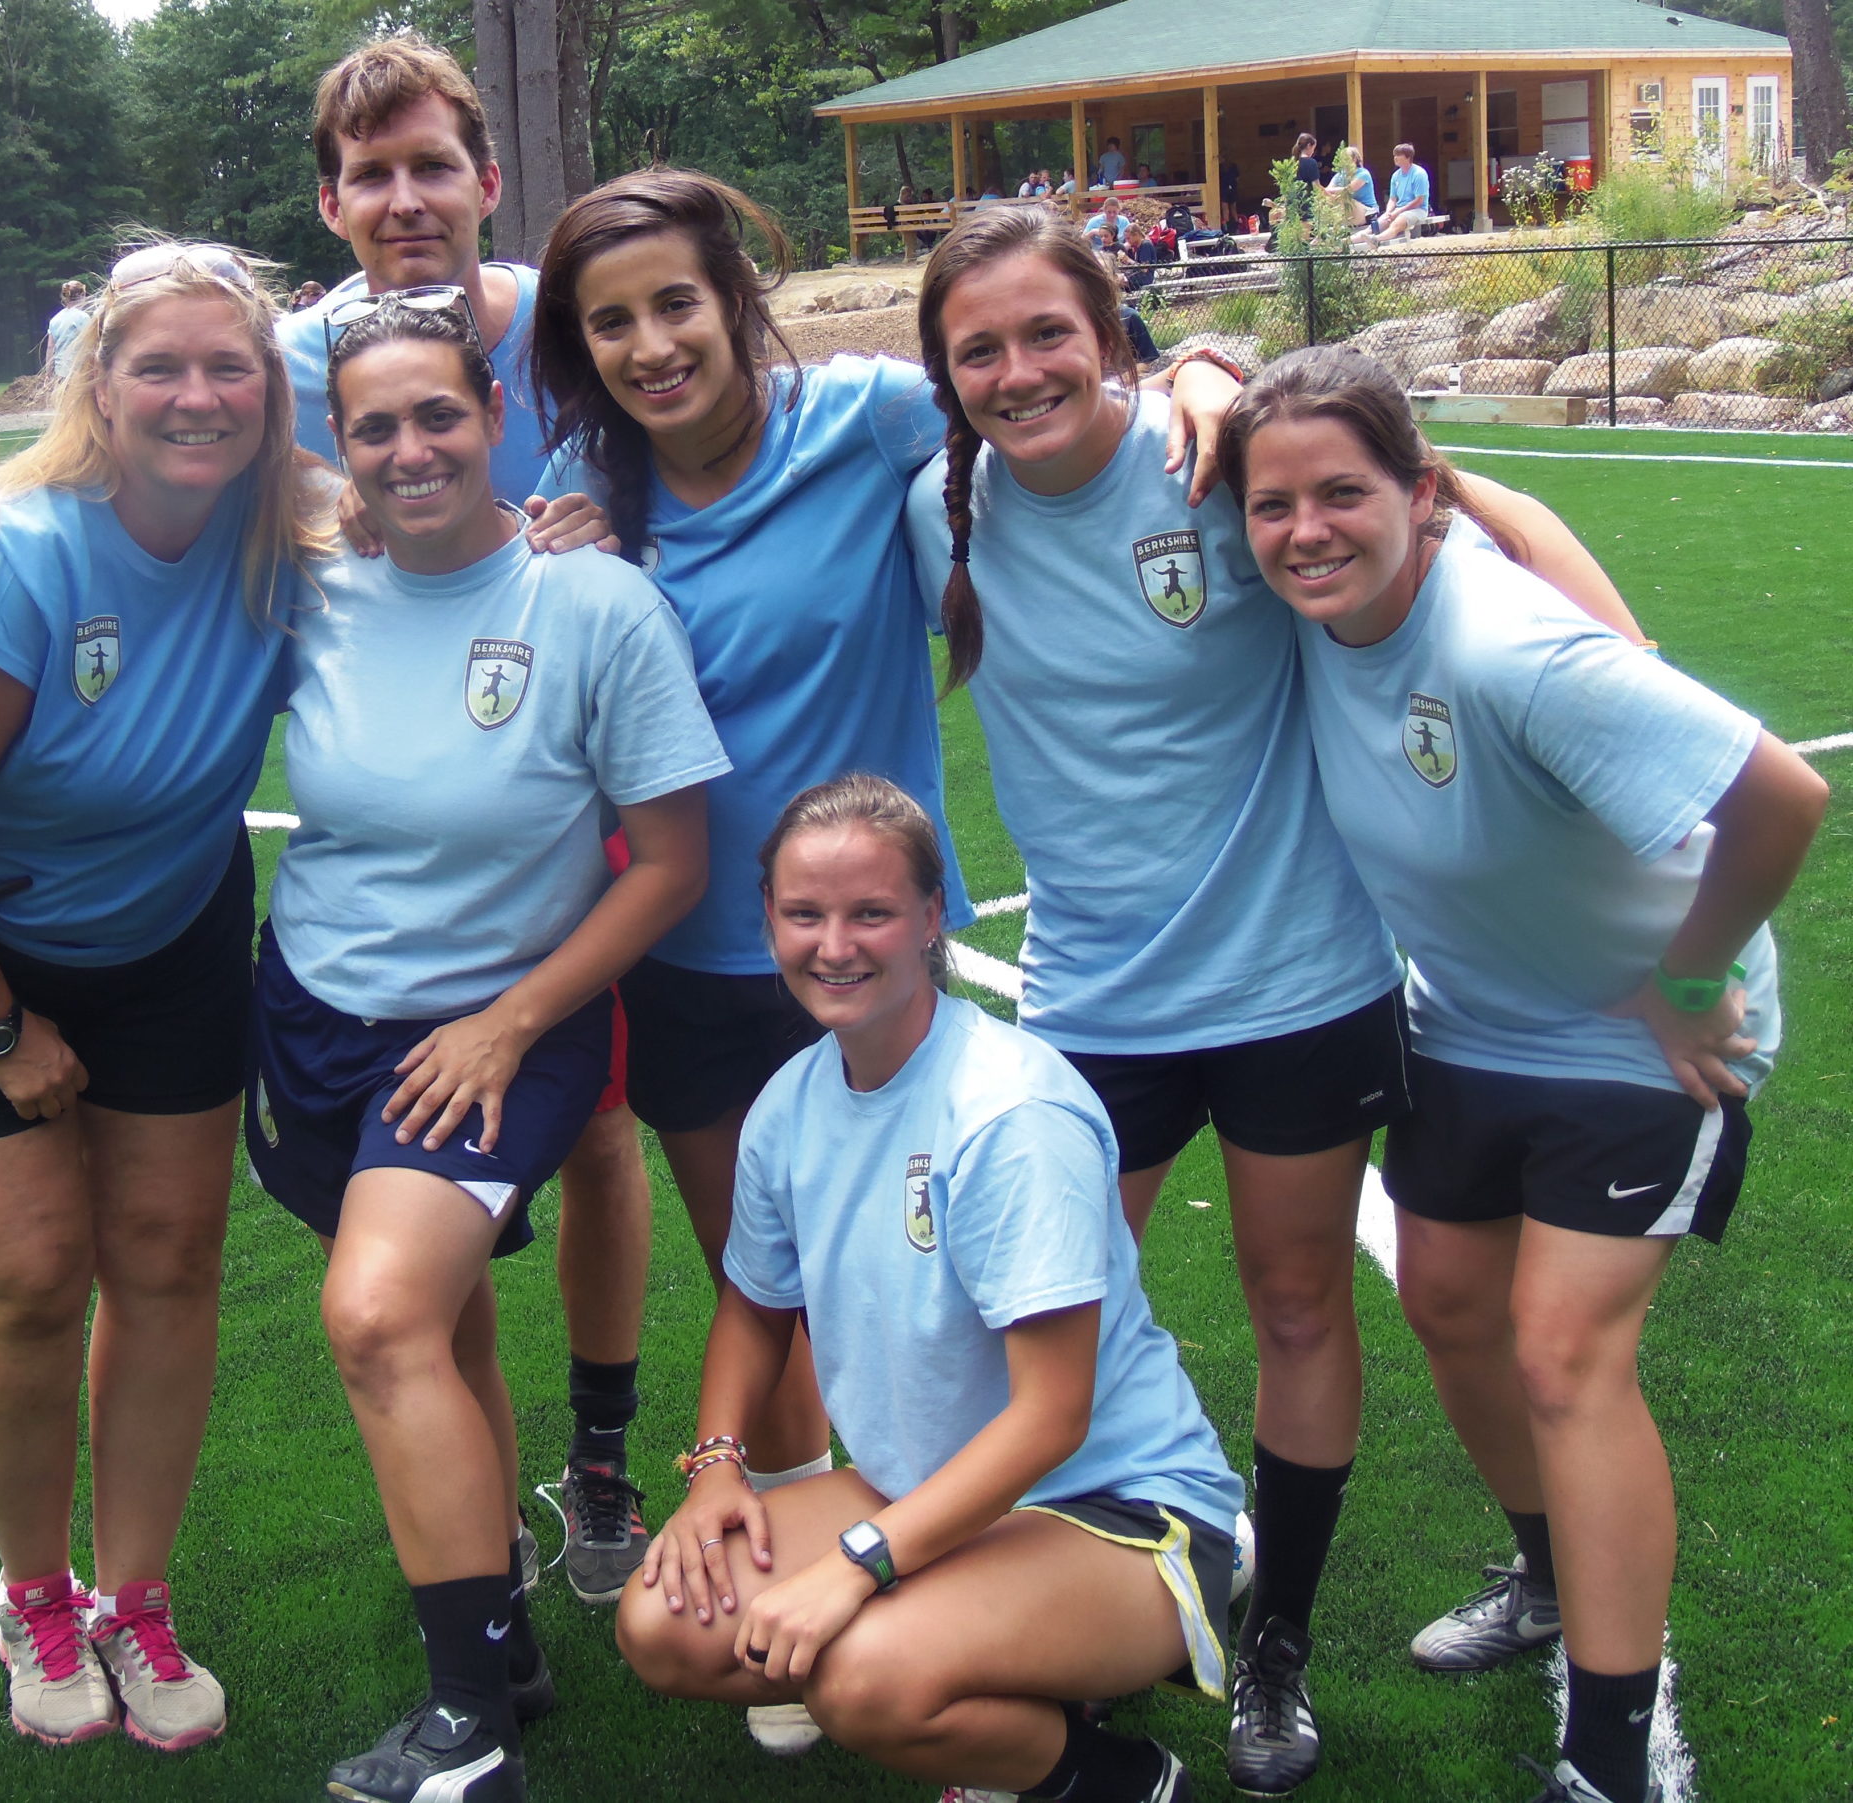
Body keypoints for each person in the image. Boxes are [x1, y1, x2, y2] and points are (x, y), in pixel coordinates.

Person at [903, 205, 1649, 1799]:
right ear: (945, 372)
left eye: (1053, 332)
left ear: (1116, 332)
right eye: (982, 347)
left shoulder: (1209, 459)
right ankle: (1047, 1618)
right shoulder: (933, 510)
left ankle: (1274, 1640)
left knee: (1299, 1303)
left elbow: (1452, 510)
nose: (1021, 369)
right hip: (1093, 1000)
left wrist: (1623, 647)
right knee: (1028, 1315)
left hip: (1299, 983)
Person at [531, 171, 1242, 1754]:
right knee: (771, 1281)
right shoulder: (592, 484)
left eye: (677, 304)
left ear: (736, 305)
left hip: (861, 936)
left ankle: (949, 1600)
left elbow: (1039, 385)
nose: (654, 346)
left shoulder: (853, 421)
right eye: (613, 322)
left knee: (967, 1281)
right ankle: (819, 1574)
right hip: (696, 950)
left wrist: (1198, 362)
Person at [1219, 344, 1827, 1803]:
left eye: (1343, 495)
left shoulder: (1503, 645)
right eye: (1273, 503)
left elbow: (1780, 793)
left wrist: (1688, 982)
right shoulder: (1311, 606)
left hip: (1645, 1032)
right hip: (1469, 1016)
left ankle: (1609, 1757)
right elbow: (1446, 497)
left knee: (1565, 1350)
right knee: (1445, 1303)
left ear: (1419, 495)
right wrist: (1202, 369)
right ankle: (1551, 1577)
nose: (1304, 530)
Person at [0, 241, 330, 1754]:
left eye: (227, 366)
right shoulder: (20, 552)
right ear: (96, 386)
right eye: (157, 366)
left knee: (169, 1254)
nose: (196, 394)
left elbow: (452, 551)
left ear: (268, 389)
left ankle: (135, 1591)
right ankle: (33, 1589)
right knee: (37, 1267)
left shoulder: (291, 538)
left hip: (166, 917)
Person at [253, 295, 726, 1803]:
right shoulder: (307, 589)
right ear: (340, 445)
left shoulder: (596, 606)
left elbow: (669, 859)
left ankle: (469, 1726)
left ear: (491, 422)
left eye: (438, 415)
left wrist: (516, 1018)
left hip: (503, 1026)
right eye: (374, 425)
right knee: (436, 1329)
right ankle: (505, 1637)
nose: (409, 448)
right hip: (317, 1007)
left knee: (378, 1318)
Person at [618, 773, 1246, 1803]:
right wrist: (718, 1467)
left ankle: (1113, 1779)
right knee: (663, 1627)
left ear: (929, 919)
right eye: (803, 914)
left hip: (1112, 1510)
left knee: (864, 1679)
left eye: (870, 913)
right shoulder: (790, 1100)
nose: (834, 945)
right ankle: (1010, 1676)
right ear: (766, 921)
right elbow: (754, 1305)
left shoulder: (1005, 1113)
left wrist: (856, 1564)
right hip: (918, 1484)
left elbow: (1051, 1418)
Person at [281, 32, 659, 1601]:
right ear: (332, 202)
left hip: (579, 765)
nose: (406, 197)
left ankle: (602, 1450)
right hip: (418, 798)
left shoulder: (566, 322)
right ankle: (483, 1514)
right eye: (373, 173)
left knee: (602, 1130)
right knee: (437, 1210)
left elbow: (694, 417)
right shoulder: (296, 359)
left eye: (434, 163)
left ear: (487, 178)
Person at [1363, 143, 1431, 243]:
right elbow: (1392, 198)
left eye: (1398, 155)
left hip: (1418, 210)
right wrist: (1389, 212)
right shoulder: (1395, 176)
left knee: (1396, 223)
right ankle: (1346, 242)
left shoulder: (1419, 174)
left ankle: (1375, 240)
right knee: (1373, 226)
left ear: (1408, 157)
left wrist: (1398, 212)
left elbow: (1419, 201)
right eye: (1394, 155)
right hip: (1399, 209)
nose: (1395, 158)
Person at [44, 281, 91, 384]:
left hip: (60, 373)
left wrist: (48, 373)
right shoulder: (83, 317)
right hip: (79, 372)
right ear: (81, 295)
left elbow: (50, 347)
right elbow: (91, 344)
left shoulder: (55, 320)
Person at [1326, 146, 1377, 228]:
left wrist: (1334, 191)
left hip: (1367, 211)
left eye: (1346, 158)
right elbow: (1327, 190)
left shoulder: (1363, 174)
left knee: (1343, 197)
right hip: (1350, 211)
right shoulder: (1339, 175)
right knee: (1327, 198)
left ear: (1354, 160)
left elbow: (1348, 190)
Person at [1288, 134, 1321, 222]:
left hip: (1292, 204)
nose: (1313, 152)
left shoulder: (1292, 163)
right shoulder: (1311, 162)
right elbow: (1316, 187)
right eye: (1313, 148)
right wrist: (1329, 197)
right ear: (1309, 146)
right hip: (1306, 204)